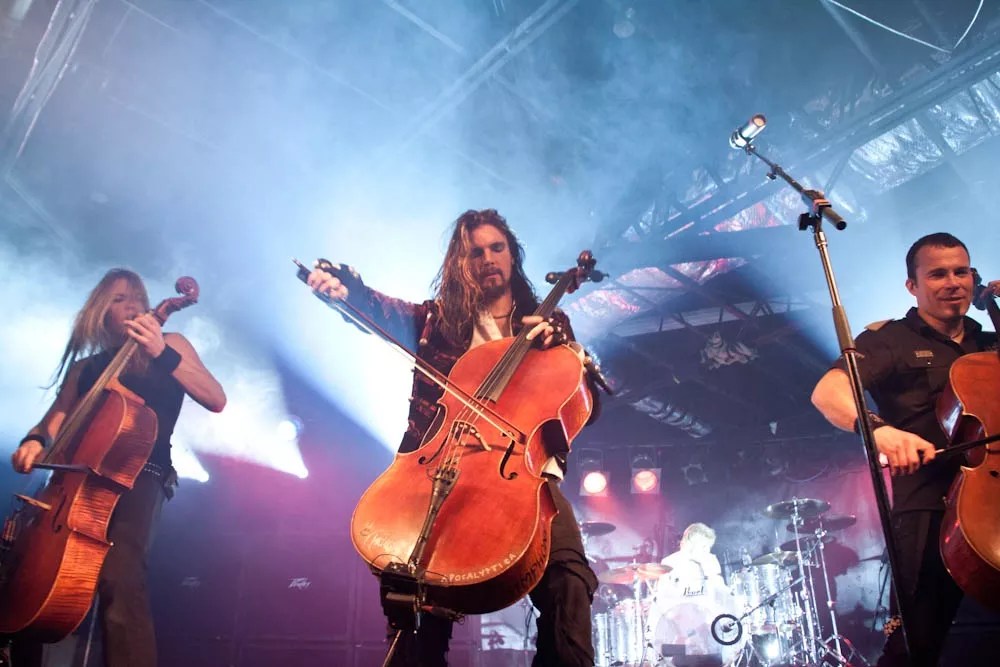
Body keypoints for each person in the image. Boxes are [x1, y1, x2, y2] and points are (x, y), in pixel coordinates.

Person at [306, 209, 602, 667]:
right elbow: (377, 309)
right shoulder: (435, 322)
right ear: (459, 264)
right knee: (413, 598)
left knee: (568, 578)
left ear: (512, 255)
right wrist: (347, 290)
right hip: (441, 467)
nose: (487, 259)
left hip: (521, 473)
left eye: (496, 248)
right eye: (475, 252)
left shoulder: (549, 325)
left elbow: (584, 405)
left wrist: (563, 347)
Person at [4, 268, 226, 667]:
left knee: (119, 579)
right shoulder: (86, 368)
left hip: (141, 476)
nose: (133, 306)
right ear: (99, 311)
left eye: (137, 298)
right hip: (76, 483)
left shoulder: (168, 343)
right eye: (119, 299)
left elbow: (215, 397)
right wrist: (33, 442)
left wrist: (163, 352)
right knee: (37, 582)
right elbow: (53, 422)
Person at [811, 233, 1000, 667]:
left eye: (961, 271)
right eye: (937, 274)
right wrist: (878, 431)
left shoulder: (990, 340)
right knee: (915, 645)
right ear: (912, 286)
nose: (953, 282)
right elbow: (828, 392)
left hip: (994, 495)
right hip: (930, 509)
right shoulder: (890, 340)